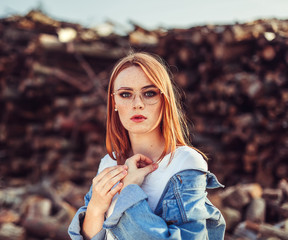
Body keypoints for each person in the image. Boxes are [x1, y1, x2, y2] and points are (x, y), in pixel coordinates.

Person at [68, 52, 226, 239]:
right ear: (114, 102)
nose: (137, 104)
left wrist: (129, 191)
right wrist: (95, 208)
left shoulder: (184, 163)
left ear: (164, 99)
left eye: (149, 93)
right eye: (125, 94)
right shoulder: (109, 163)